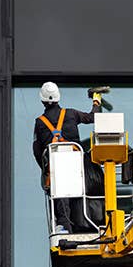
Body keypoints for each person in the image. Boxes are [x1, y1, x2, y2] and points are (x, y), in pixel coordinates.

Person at [32, 82, 103, 232]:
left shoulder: (40, 123)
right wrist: (96, 100)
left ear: (42, 100)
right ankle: (85, 223)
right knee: (79, 195)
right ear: (58, 98)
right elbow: (93, 117)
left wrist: (46, 169)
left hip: (57, 170)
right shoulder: (71, 114)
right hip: (77, 166)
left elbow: (37, 151)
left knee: (61, 198)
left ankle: (65, 227)